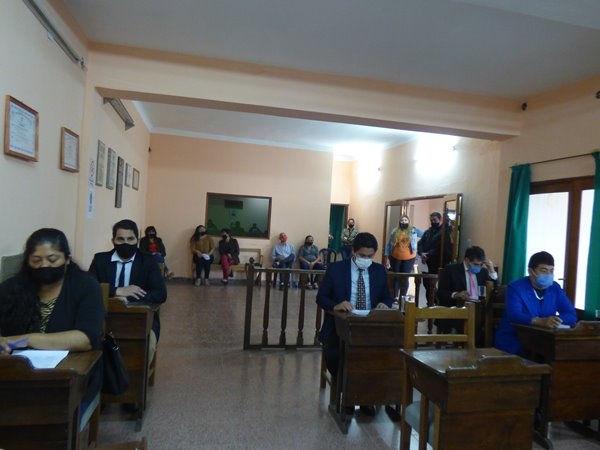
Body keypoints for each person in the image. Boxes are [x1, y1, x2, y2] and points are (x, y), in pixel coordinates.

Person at [0, 228, 104, 410]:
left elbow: (85, 339)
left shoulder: (86, 286)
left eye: (52, 259)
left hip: (70, 376)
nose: (44, 265)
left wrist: (26, 339)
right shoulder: (11, 288)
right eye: (36, 260)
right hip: (16, 374)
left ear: (67, 259)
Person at [316, 232, 392, 415]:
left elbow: (387, 298)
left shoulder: (379, 270)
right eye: (362, 255)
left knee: (378, 356)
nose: (366, 259)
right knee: (337, 355)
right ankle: (348, 395)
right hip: (339, 326)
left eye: (370, 256)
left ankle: (366, 397)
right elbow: (321, 297)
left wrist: (384, 304)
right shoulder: (336, 269)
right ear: (353, 252)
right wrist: (336, 305)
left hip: (369, 327)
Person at [89, 219, 167, 376]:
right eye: (120, 239)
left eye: (130, 239)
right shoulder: (100, 260)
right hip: (103, 318)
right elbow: (89, 289)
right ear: (113, 240)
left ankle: (133, 384)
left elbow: (160, 293)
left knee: (148, 346)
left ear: (137, 240)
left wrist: (129, 298)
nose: (126, 243)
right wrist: (116, 291)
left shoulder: (148, 261)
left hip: (140, 319)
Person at [495, 251, 577, 355]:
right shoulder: (516, 287)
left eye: (551, 270)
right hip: (514, 342)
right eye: (544, 270)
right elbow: (514, 314)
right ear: (531, 271)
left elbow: (571, 314)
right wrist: (539, 321)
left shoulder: (555, 288)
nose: (549, 274)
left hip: (543, 342)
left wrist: (554, 321)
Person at [437, 246, 498, 334]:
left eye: (481, 264)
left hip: (478, 309)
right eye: (476, 264)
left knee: (489, 324)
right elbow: (440, 293)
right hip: (458, 308)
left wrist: (492, 271)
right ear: (466, 260)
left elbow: (494, 290)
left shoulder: (483, 272)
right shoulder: (451, 270)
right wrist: (456, 294)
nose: (479, 267)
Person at [383, 214, 423, 300]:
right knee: (396, 277)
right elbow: (389, 244)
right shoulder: (395, 230)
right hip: (395, 257)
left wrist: (419, 249)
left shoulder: (413, 230)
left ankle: (403, 297)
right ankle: (395, 297)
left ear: (408, 221)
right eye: (402, 220)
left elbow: (424, 236)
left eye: (405, 220)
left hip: (409, 257)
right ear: (399, 222)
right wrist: (386, 257)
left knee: (405, 277)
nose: (403, 222)